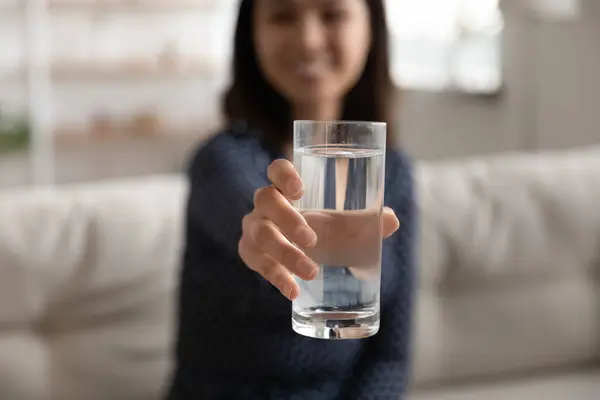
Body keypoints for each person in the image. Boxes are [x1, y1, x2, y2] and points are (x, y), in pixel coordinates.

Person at [166, 0, 415, 398]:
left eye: (332, 14)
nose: (309, 40)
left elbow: (390, 359)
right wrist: (264, 230)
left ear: (371, 28)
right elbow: (247, 216)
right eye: (282, 16)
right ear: (252, 35)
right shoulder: (221, 162)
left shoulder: (395, 171)